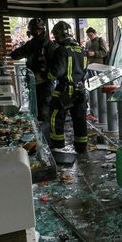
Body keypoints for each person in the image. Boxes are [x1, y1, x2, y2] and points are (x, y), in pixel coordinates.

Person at [47, 21, 88, 153]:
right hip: (80, 89)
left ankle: (57, 144)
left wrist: (47, 75)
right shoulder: (82, 50)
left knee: (55, 116)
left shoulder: (61, 50)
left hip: (64, 90)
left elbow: (56, 72)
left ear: (58, 35)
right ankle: (81, 146)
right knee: (80, 118)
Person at [10, 18, 58, 122]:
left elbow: (56, 67)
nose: (35, 32)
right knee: (38, 111)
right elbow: (15, 55)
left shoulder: (45, 45)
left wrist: (44, 76)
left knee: (42, 112)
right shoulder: (43, 45)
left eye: (35, 30)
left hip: (43, 83)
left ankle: (45, 135)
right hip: (38, 82)